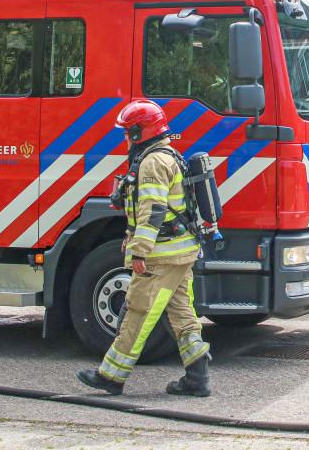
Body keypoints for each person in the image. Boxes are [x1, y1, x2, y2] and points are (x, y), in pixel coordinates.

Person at [78, 99, 212, 397]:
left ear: (140, 132)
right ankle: (197, 375)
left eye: (128, 132)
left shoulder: (152, 163)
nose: (125, 138)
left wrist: (139, 251)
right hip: (181, 251)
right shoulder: (168, 155)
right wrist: (132, 235)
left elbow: (152, 210)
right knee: (180, 311)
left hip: (160, 255)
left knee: (137, 311)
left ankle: (111, 375)